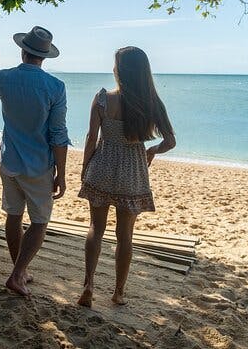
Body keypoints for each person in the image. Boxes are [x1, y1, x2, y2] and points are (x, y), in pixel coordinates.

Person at [77, 46, 176, 307]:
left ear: (119, 70)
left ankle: (88, 286)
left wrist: (85, 166)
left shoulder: (102, 98)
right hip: (133, 173)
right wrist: (152, 150)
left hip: (103, 168)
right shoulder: (152, 102)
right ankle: (118, 292)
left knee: (95, 229)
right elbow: (170, 141)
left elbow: (91, 138)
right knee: (125, 236)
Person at [0, 26, 70, 297]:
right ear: (44, 57)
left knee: (13, 214)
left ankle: (19, 271)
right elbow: (58, 134)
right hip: (38, 166)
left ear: (23, 51)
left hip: (9, 161)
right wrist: (62, 174)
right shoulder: (55, 87)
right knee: (40, 222)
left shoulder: (6, 78)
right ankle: (17, 274)